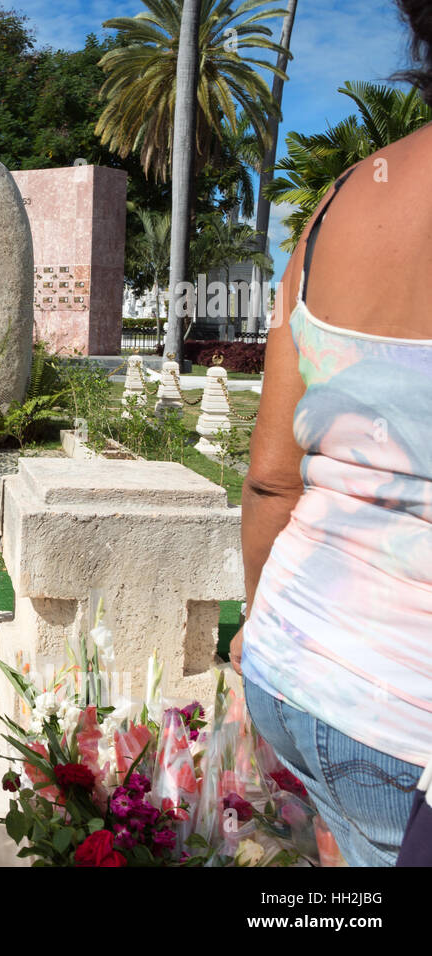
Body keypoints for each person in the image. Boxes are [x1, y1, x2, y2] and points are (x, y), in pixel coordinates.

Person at [231, 0, 432, 866]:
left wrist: (254, 628)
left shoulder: (342, 201)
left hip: (297, 659)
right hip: (404, 718)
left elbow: (273, 477)